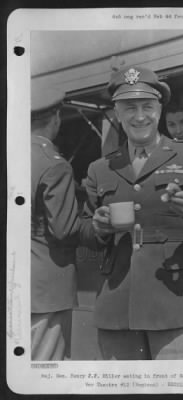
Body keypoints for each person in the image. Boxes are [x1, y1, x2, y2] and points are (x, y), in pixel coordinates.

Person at [80, 66, 183, 360]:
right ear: (117, 113)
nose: (139, 116)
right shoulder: (99, 169)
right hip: (118, 305)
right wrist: (97, 228)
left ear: (159, 110)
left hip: (178, 303)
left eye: (147, 106)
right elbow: (85, 231)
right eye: (129, 108)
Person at [31, 82, 80, 360]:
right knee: (46, 371)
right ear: (56, 118)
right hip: (46, 289)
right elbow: (64, 229)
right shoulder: (54, 163)